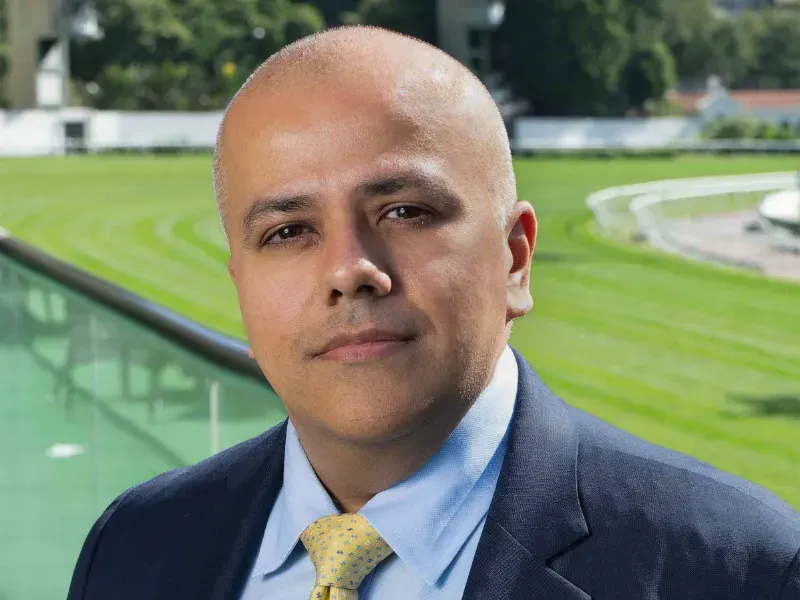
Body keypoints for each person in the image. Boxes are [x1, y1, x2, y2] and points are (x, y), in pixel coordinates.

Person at [67, 26, 800, 600]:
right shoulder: (133, 546)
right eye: (287, 231)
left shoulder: (739, 570)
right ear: (240, 284)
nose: (349, 270)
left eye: (405, 210)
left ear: (514, 258)